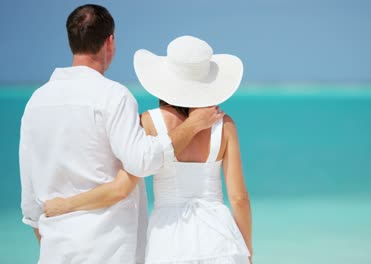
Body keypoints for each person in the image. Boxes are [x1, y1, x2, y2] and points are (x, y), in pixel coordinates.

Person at [19, 5, 223, 264]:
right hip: (109, 249)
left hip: (55, 249)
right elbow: (142, 161)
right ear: (110, 42)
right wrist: (193, 125)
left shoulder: (36, 102)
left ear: (71, 41)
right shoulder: (114, 96)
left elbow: (30, 201)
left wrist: (55, 241)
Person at [44, 36, 253, 263]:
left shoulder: (149, 123)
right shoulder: (225, 126)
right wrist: (247, 252)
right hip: (220, 239)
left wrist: (67, 204)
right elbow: (239, 198)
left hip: (168, 238)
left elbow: (121, 188)